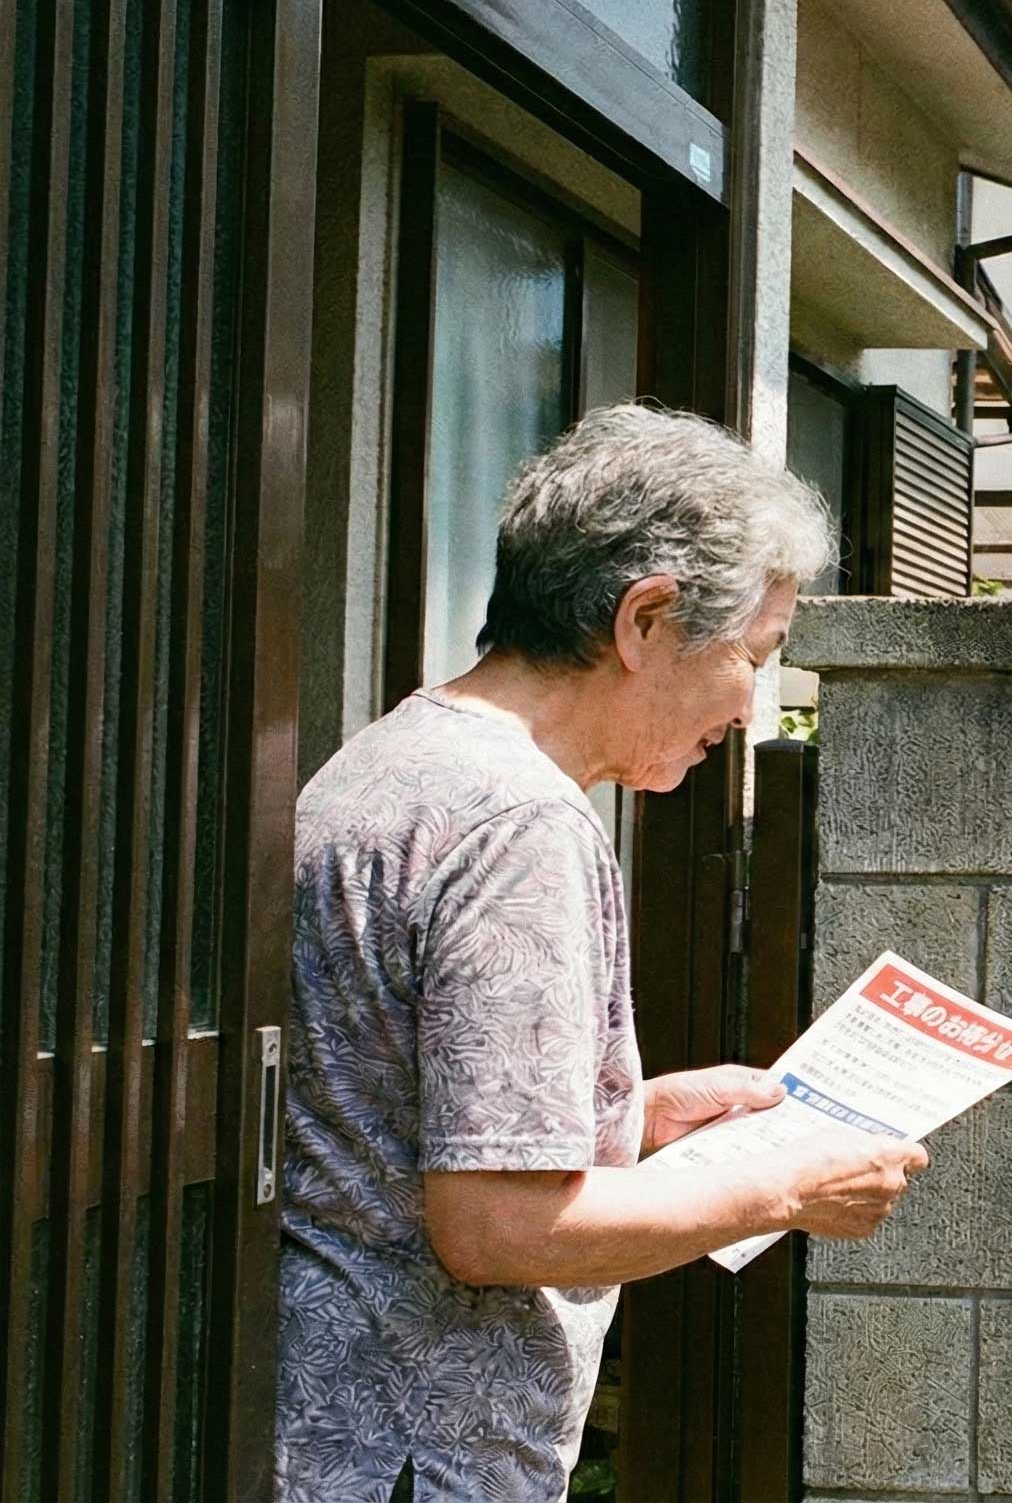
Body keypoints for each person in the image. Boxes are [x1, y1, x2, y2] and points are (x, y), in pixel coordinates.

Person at [279, 404, 931, 1501]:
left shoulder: (391, 757)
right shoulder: (520, 825)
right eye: (752, 656)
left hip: (321, 1421)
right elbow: (497, 1225)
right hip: (419, 1451)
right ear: (647, 620)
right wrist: (782, 1188)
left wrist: (634, 1116)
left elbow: (388, 1117)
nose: (749, 703)